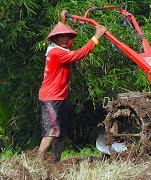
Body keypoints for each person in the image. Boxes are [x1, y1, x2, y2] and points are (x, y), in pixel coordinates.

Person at [36, 10, 107, 162]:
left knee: (60, 133)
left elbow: (68, 45)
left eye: (67, 35)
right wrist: (97, 37)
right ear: (55, 38)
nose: (66, 38)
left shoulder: (59, 48)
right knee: (51, 133)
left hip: (59, 97)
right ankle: (37, 163)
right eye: (62, 36)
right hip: (51, 97)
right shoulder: (56, 53)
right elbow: (79, 54)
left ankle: (56, 162)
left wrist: (63, 22)